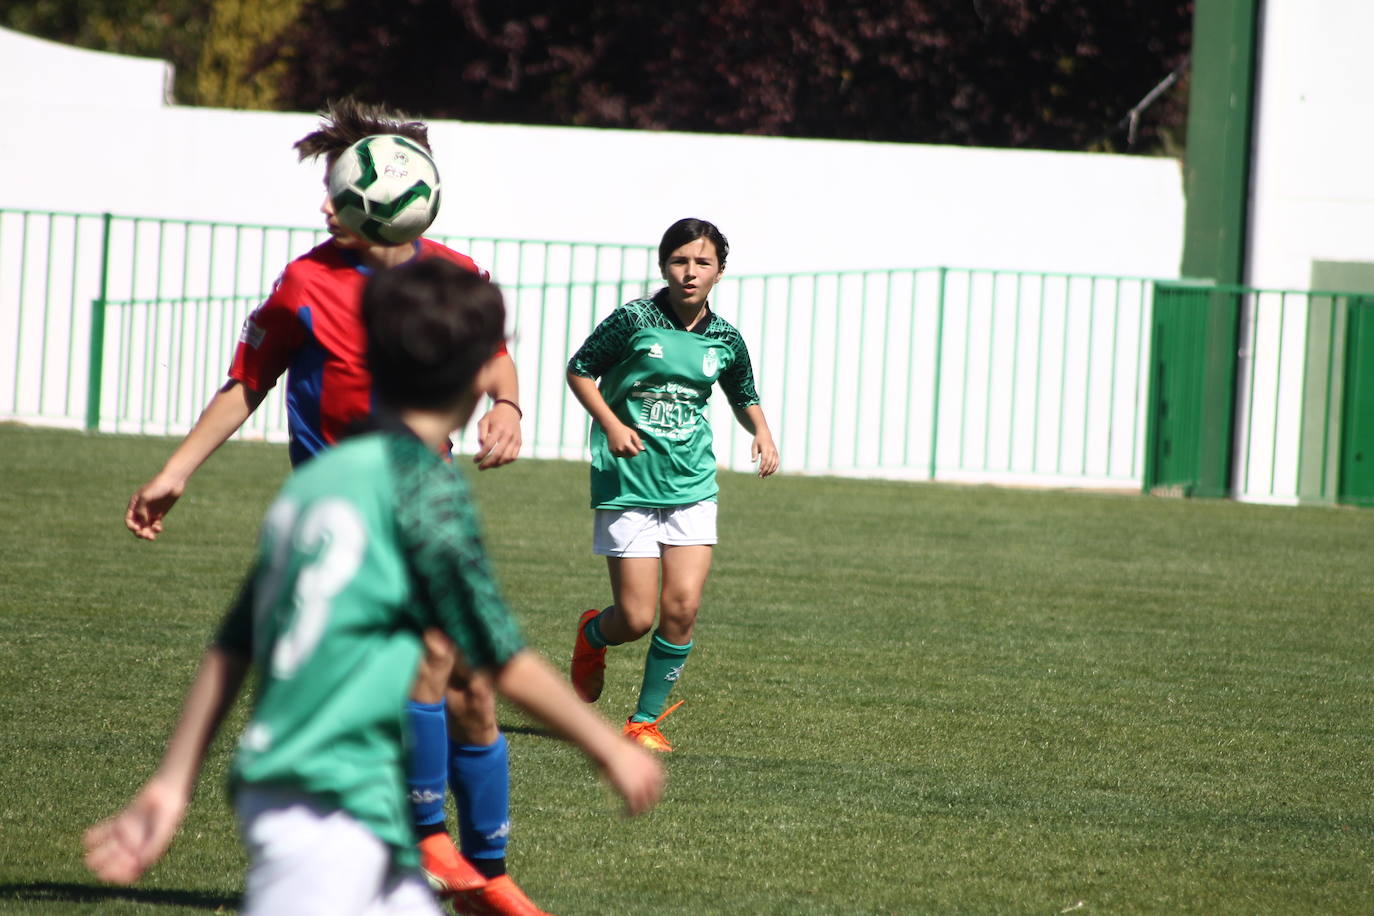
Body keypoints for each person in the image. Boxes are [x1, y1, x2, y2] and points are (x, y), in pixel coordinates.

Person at [85, 260, 665, 916]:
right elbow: (501, 656)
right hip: (332, 813)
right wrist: (607, 747)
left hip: (312, 796)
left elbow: (234, 643)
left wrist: (171, 782)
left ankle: (462, 864)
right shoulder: (423, 492)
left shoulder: (317, 480)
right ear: (481, 374)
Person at [123, 98, 537, 913]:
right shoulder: (305, 284)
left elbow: (492, 355)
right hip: (342, 517)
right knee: (429, 656)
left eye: (337, 195)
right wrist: (176, 470)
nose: (323, 209)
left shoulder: (451, 277)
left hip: (426, 503)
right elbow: (248, 380)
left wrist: (508, 406)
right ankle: (425, 834)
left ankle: (487, 875)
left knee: (474, 690)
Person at [566, 218, 780, 753]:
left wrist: (761, 431)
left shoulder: (724, 337)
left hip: (691, 483)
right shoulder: (634, 319)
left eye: (702, 262)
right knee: (636, 618)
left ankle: (643, 723)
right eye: (680, 261)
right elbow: (580, 369)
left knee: (682, 608)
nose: (690, 272)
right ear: (664, 266)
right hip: (629, 481)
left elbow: (742, 391)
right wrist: (611, 424)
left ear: (719, 272)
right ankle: (593, 634)